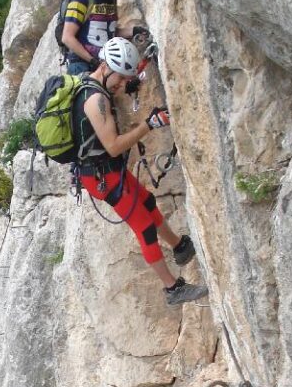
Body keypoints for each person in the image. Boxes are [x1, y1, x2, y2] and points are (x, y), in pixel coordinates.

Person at [74, 37, 208, 306]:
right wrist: (149, 124)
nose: (123, 85)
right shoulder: (95, 99)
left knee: (146, 200)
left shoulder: (96, 83)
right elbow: (112, 146)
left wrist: (139, 68)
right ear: (107, 67)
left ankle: (180, 246)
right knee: (144, 227)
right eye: (121, 78)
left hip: (108, 171)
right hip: (102, 177)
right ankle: (173, 289)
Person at [62, 0, 128, 76]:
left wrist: (134, 31)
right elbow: (67, 37)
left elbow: (110, 31)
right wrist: (92, 60)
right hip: (81, 65)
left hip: (103, 63)